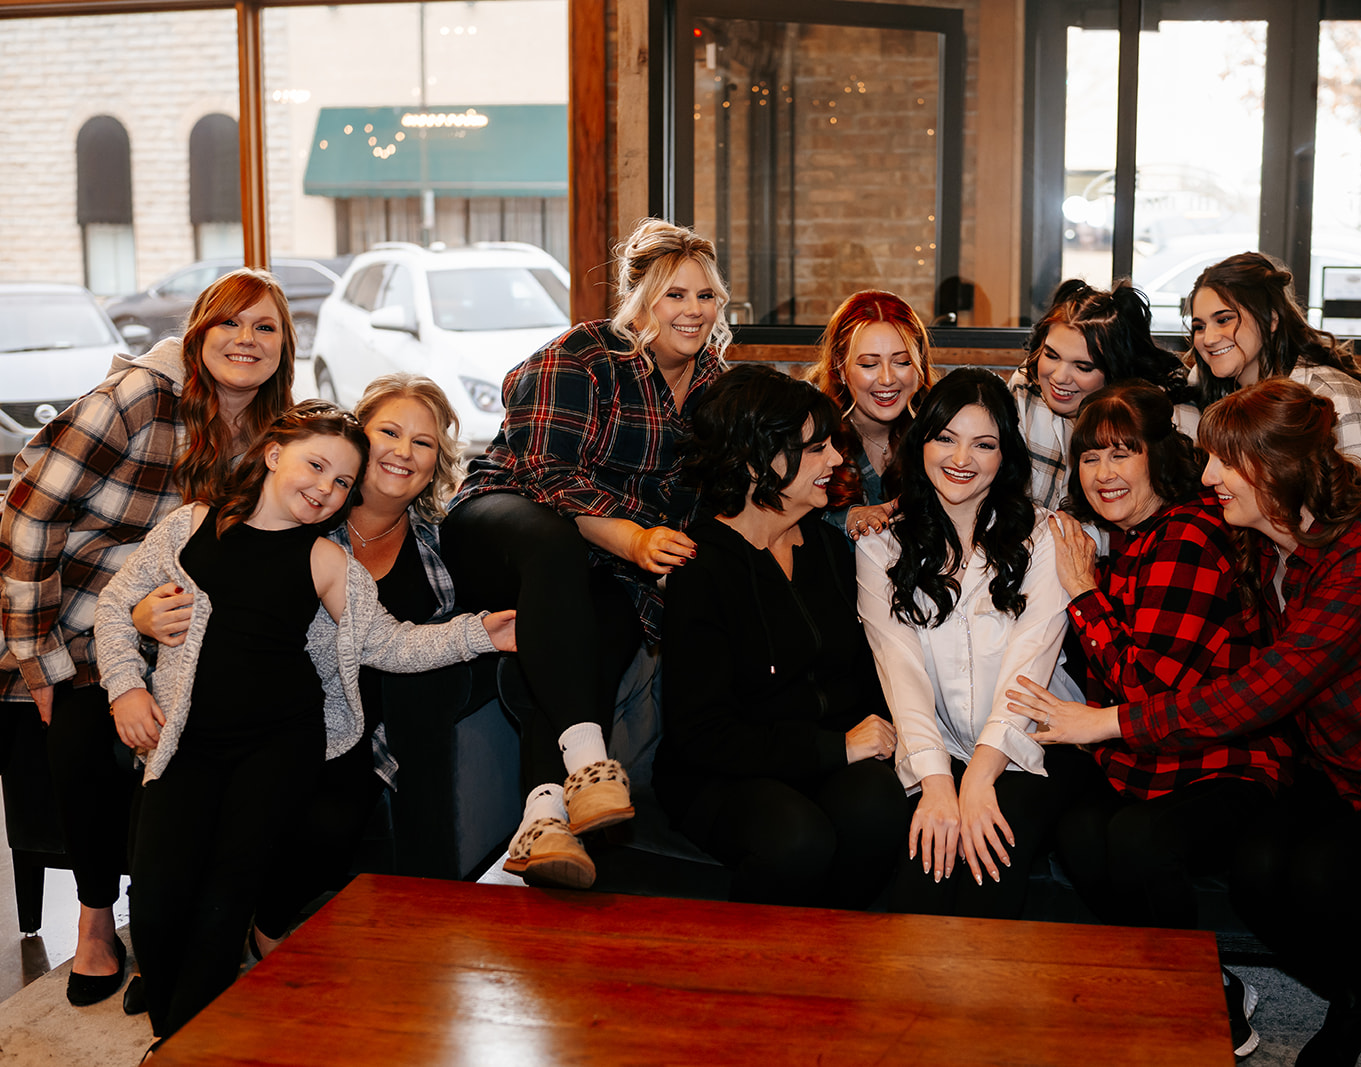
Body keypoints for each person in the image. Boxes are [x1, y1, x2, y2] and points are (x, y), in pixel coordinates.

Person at [1009, 378, 1361, 1066]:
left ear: (1279, 470)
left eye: (1226, 460)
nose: (1208, 473)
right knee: (1255, 870)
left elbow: (1265, 689)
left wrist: (1105, 722)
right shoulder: (1265, 542)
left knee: (1327, 873)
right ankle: (1359, 997)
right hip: (1350, 767)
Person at [94, 401, 516, 1039]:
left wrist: (482, 633)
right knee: (154, 902)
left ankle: (178, 1043)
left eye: (343, 481)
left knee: (223, 899)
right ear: (272, 454)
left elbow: (389, 643)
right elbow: (115, 604)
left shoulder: (327, 561)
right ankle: (174, 1016)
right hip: (184, 743)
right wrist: (125, 688)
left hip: (278, 747)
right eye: (315, 466)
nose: (325, 488)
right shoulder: (190, 527)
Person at [0, 267, 294, 1008]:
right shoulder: (137, 400)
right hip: (71, 609)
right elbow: (30, 517)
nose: (246, 340)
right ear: (198, 333)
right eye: (231, 322)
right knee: (77, 726)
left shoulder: (271, 430)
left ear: (286, 346)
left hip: (179, 622)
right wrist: (38, 661)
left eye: (266, 327)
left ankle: (210, 918)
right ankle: (96, 923)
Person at [132, 373, 470, 958]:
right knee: (194, 842)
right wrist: (142, 616)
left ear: (437, 461)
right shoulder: (300, 513)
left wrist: (480, 633)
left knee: (330, 814)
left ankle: (265, 931)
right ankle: (181, 949)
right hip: (258, 709)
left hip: (362, 725)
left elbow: (392, 643)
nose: (403, 451)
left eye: (424, 443)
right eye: (388, 431)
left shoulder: (437, 542)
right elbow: (195, 584)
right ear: (358, 440)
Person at [443, 218, 731, 889]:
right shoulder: (586, 354)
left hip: (609, 565)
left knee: (597, 631)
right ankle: (589, 764)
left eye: (706, 296)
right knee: (551, 544)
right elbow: (548, 479)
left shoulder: (718, 384)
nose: (693, 311)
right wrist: (632, 537)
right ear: (640, 299)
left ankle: (542, 820)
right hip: (505, 523)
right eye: (674, 295)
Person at [1045, 381, 1289, 1059]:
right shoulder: (1132, 541)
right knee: (1074, 822)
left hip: (1224, 759)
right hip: (1152, 755)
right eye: (1090, 458)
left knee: (1136, 839)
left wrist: (1082, 594)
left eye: (1122, 454)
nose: (1104, 473)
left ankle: (1202, 1003)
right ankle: (1177, 975)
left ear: (1157, 456)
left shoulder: (1184, 536)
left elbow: (1145, 689)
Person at [654, 364, 907, 907]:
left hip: (822, 753)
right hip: (723, 773)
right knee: (797, 840)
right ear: (755, 461)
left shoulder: (828, 548)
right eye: (816, 448)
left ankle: (839, 957)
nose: (837, 460)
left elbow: (861, 673)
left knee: (880, 809)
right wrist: (834, 747)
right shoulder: (701, 566)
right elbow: (702, 734)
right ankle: (752, 975)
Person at [855, 367, 1075, 920]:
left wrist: (978, 781)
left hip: (1030, 752)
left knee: (985, 869)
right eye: (946, 438)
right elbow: (899, 674)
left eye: (984, 443)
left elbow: (1028, 670)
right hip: (936, 751)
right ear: (922, 441)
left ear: (1006, 457)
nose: (962, 458)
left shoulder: (1045, 538)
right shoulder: (879, 544)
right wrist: (937, 783)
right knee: (922, 883)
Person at [1185, 251, 1361, 588]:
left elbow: (1350, 516)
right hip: (1313, 544)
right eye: (1199, 326)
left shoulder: (1331, 396)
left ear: (1272, 318)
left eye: (1224, 319)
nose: (1209, 338)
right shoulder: (1223, 389)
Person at [1010, 278, 1194, 513]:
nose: (1059, 377)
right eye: (1052, 355)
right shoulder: (1027, 387)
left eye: (1083, 367)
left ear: (1116, 370)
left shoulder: (1167, 414)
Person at [801, 289, 936, 539]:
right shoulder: (808, 431)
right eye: (868, 364)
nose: (887, 379)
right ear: (839, 367)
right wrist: (846, 520)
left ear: (920, 364)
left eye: (902, 362)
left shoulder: (941, 432)